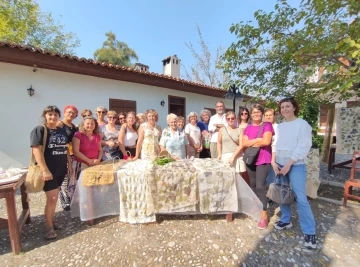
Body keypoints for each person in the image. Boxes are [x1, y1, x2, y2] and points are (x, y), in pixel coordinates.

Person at [271, 97, 317, 249]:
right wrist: (273, 162)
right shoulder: (279, 126)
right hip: (279, 164)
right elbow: (275, 145)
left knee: (301, 198)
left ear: (294, 107)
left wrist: (289, 164)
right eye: (282, 107)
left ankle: (309, 231)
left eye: (288, 106)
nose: (285, 109)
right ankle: (285, 219)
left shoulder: (302, 125)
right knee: (282, 194)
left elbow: (303, 146)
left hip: (295, 165)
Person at [30, 105, 71, 239]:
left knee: (54, 197)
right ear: (45, 116)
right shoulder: (40, 130)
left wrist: (69, 165)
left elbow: (65, 150)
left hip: (60, 169)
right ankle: (48, 227)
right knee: (52, 198)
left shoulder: (61, 131)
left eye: (55, 114)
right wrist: (45, 170)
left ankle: (51, 221)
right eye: (50, 114)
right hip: (49, 171)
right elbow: (36, 150)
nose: (52, 117)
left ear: (59, 116)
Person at [243, 104, 274, 230]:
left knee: (261, 187)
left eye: (258, 112)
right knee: (253, 185)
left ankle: (264, 215)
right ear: (251, 114)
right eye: (254, 112)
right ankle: (256, 206)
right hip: (251, 159)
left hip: (263, 159)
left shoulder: (267, 125)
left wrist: (252, 142)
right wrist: (258, 140)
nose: (256, 114)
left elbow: (267, 141)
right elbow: (244, 143)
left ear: (262, 113)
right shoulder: (248, 127)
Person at [69, 116, 102, 198]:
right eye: (88, 124)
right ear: (83, 125)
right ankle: (79, 206)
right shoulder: (78, 135)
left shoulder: (97, 136)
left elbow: (100, 150)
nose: (90, 125)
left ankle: (91, 204)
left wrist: (98, 160)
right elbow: (76, 151)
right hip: (80, 165)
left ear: (95, 125)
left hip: (94, 165)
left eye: (92, 124)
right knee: (80, 187)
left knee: (91, 187)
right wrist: (89, 161)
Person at [57, 105, 79, 211]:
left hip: (72, 154)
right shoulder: (60, 124)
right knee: (64, 179)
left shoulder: (73, 126)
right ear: (64, 112)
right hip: (63, 154)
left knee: (71, 177)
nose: (71, 114)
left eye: (73, 113)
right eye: (69, 112)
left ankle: (70, 199)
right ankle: (65, 202)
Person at [264, 108, 278, 185]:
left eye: (270, 115)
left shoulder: (278, 127)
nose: (268, 117)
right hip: (264, 155)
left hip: (274, 155)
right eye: (266, 115)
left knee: (272, 179)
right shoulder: (262, 126)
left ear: (274, 116)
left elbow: (276, 143)